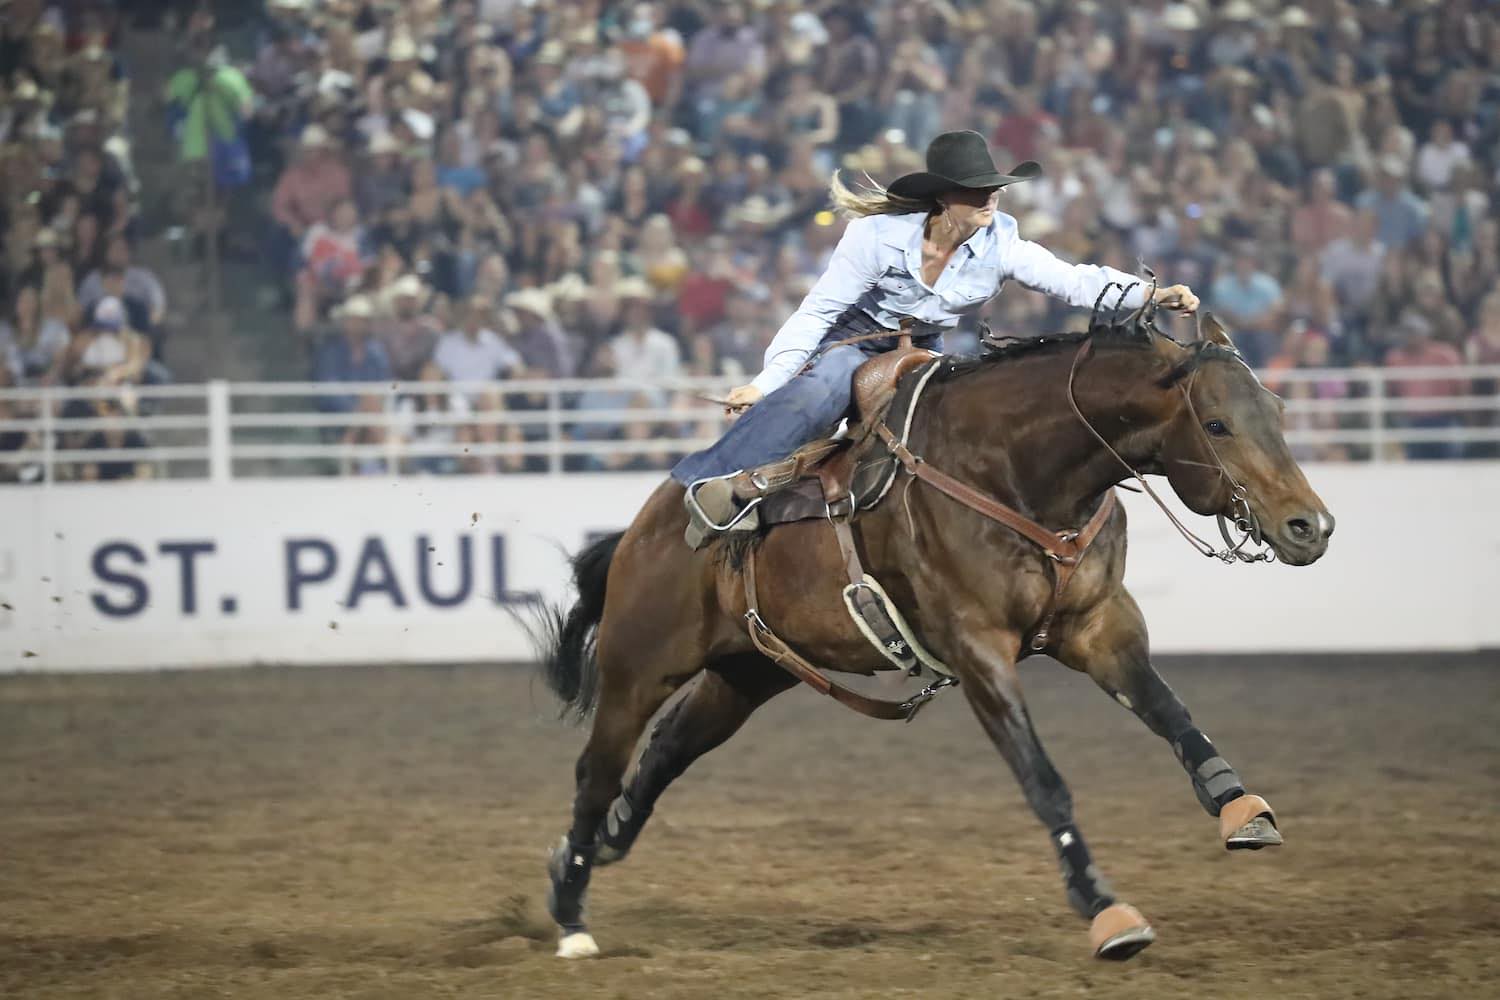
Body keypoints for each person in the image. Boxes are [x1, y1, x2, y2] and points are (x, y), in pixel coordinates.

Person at [672, 130, 1199, 528]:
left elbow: (1071, 281)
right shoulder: (874, 237)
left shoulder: (1003, 244)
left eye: (994, 188)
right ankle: (714, 487)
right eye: (977, 190)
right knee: (818, 392)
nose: (991, 197)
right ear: (945, 199)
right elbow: (817, 312)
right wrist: (764, 384)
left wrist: (1149, 293)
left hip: (929, 348)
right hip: (858, 341)